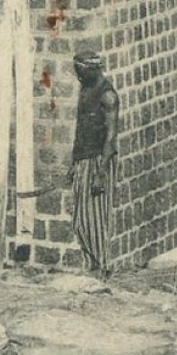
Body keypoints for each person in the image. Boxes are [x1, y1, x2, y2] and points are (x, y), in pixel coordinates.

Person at [68, 49, 120, 271]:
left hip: (98, 161)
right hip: (83, 158)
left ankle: (102, 267)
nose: (78, 76)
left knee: (96, 218)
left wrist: (101, 173)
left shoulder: (107, 95)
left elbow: (110, 136)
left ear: (92, 69)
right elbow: (81, 127)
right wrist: (74, 164)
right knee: (80, 220)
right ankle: (91, 264)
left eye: (80, 71)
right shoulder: (86, 88)